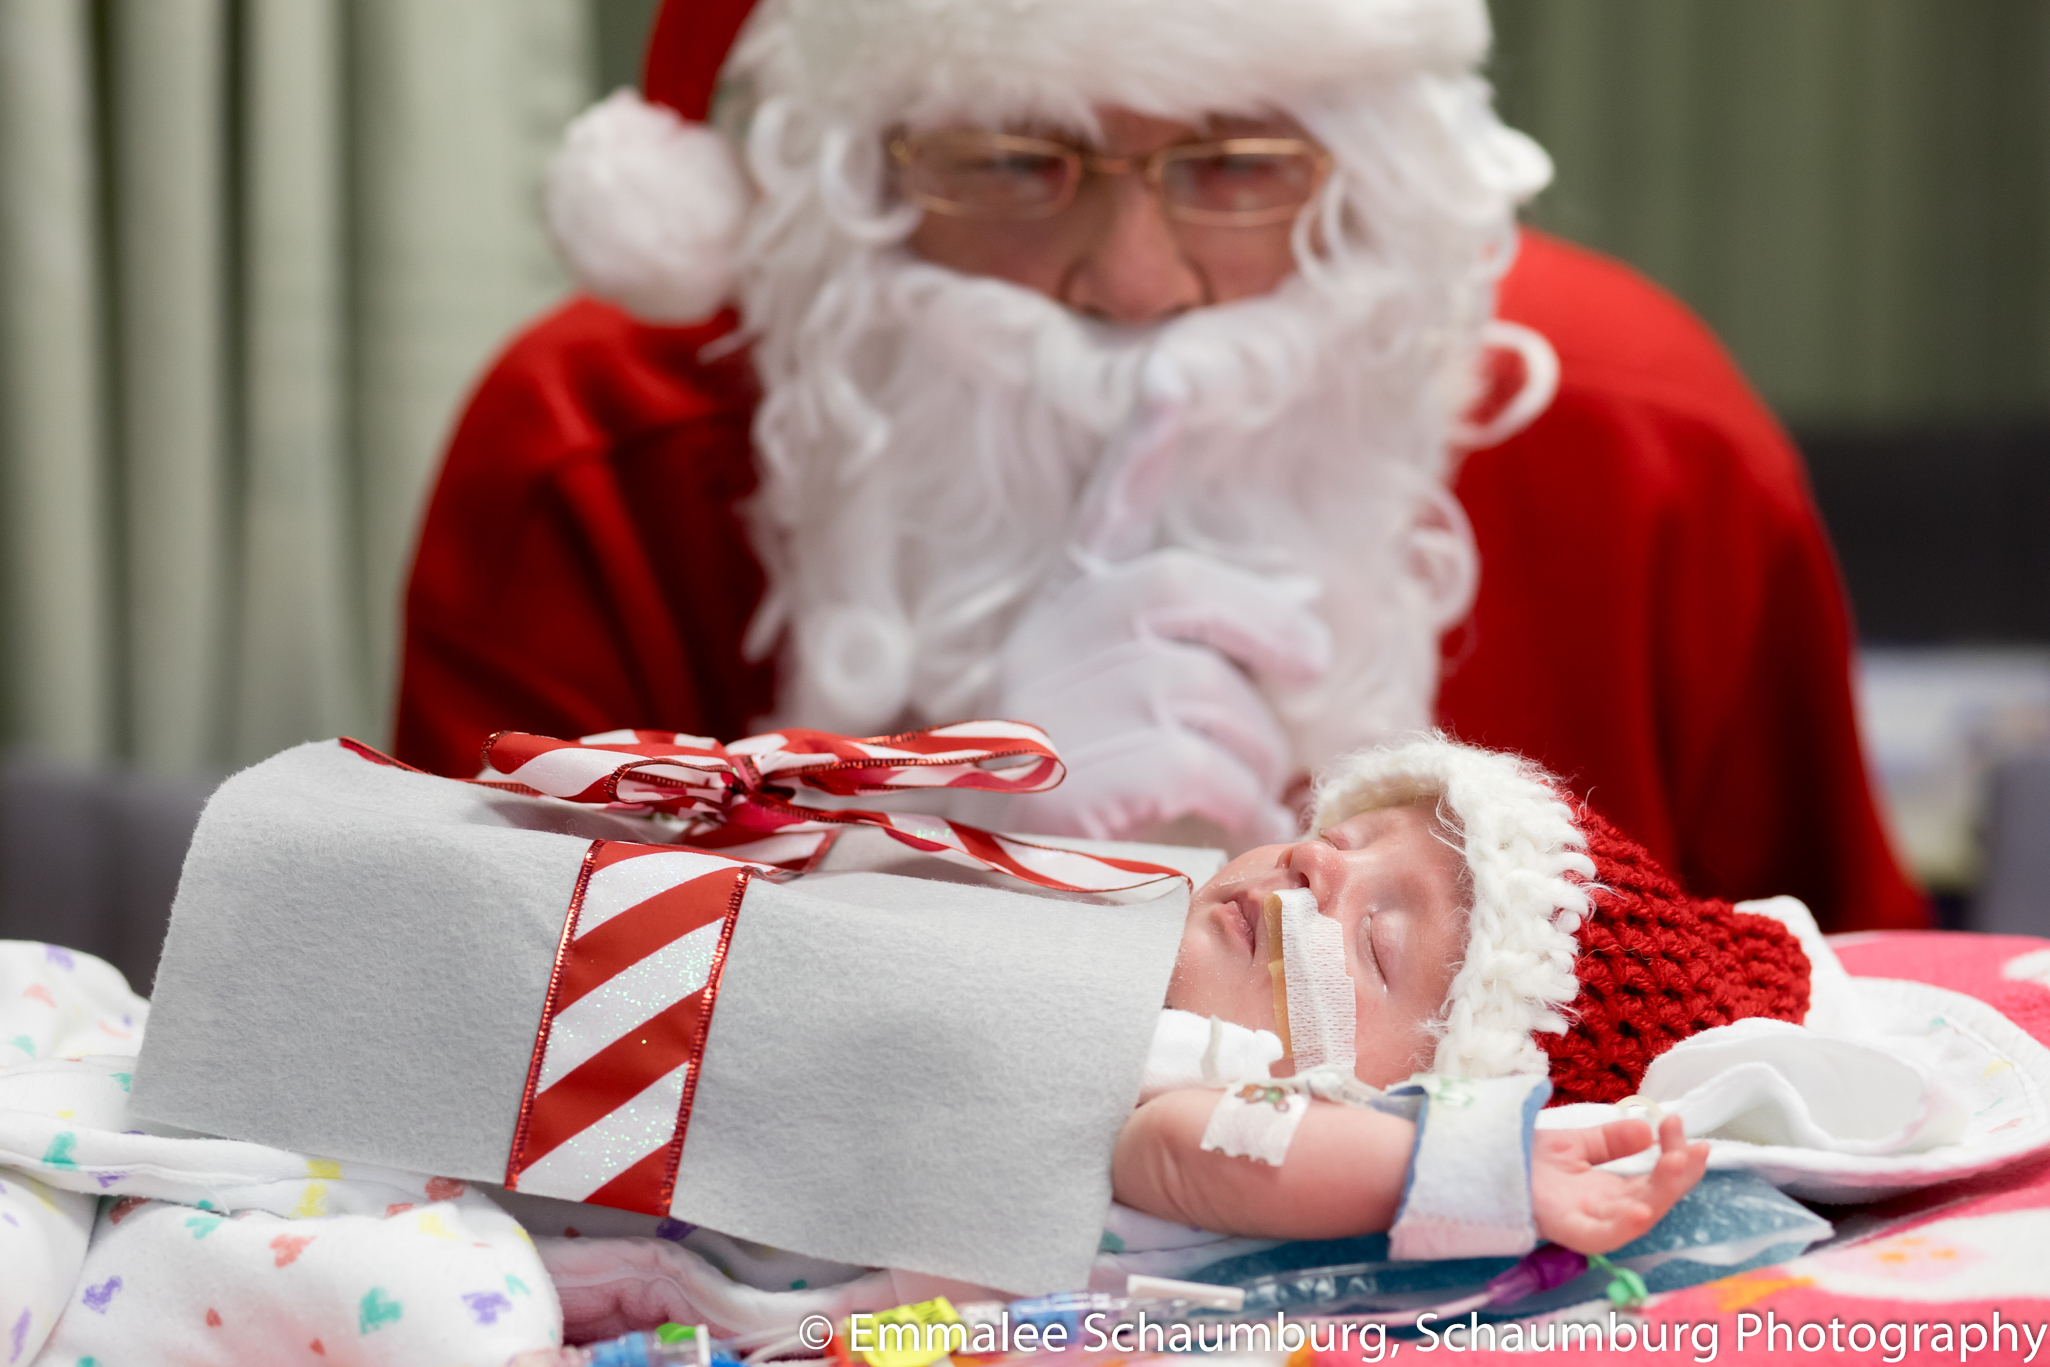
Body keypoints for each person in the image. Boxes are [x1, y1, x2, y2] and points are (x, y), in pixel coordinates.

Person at [395, 0, 1922, 932]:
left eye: (1238, 168)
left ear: (1380, 173)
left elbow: (1837, 1021)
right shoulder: (589, 449)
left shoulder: (1640, 439)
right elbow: (425, 1057)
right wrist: (930, 849)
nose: (1134, 280)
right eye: (1008, 162)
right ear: (849, 171)